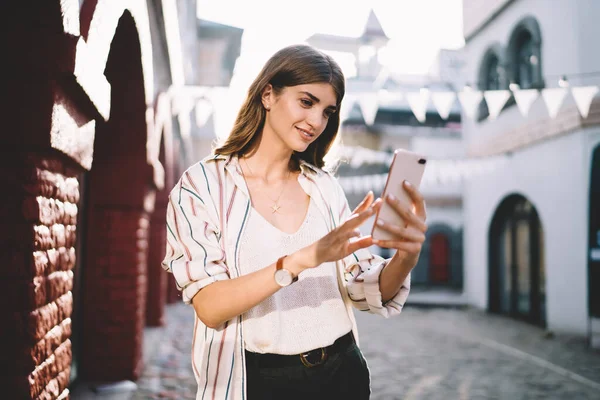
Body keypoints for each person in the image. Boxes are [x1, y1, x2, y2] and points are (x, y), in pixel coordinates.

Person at [162, 44, 427, 400]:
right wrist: (303, 259)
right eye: (307, 102)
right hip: (256, 381)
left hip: (341, 373)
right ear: (268, 94)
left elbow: (363, 290)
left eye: (328, 111)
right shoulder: (201, 187)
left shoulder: (324, 188)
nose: (317, 122)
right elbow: (210, 306)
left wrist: (406, 257)